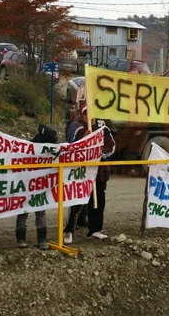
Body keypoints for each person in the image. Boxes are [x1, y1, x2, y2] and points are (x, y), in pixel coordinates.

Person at [63, 104, 115, 244]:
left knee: (98, 201)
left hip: (99, 171)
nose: (90, 117)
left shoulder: (103, 128)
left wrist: (100, 153)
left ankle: (95, 229)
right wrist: (84, 140)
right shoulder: (77, 126)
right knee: (78, 202)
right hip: (82, 172)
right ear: (83, 114)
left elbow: (111, 146)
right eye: (87, 113)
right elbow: (72, 146)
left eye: (92, 114)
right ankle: (68, 230)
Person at [15, 124, 58, 250]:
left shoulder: (53, 147)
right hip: (27, 183)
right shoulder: (28, 147)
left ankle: (40, 239)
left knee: (40, 211)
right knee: (24, 210)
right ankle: (22, 239)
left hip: (41, 184)